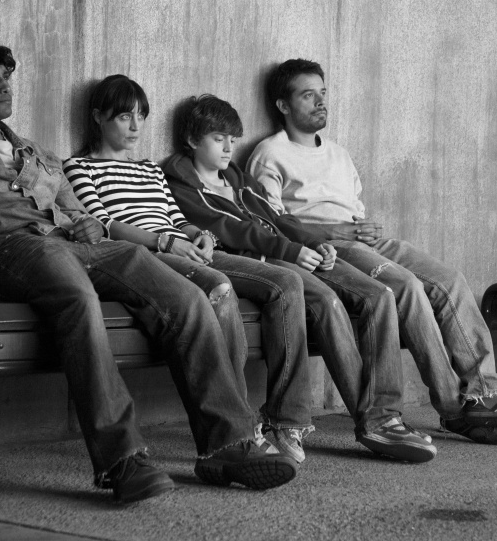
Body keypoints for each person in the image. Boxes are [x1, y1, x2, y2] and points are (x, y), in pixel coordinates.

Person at [0, 42, 298, 504]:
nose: (5, 86)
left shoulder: (36, 151)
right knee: (77, 294)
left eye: (7, 77)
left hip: (77, 246)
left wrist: (87, 224)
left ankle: (226, 445)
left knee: (185, 296)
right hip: (8, 252)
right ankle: (122, 459)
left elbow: (75, 211)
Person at [247, 58, 497, 444]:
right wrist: (338, 231)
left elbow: (352, 209)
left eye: (323, 93)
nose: (321, 102)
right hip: (329, 247)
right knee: (406, 286)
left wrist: (364, 228)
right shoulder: (269, 154)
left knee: (449, 280)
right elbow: (270, 225)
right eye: (308, 95)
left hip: (367, 242)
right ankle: (454, 407)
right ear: (283, 105)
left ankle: (485, 392)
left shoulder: (339, 153)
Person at [164, 94, 437, 463]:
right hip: (261, 260)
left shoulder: (237, 178)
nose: (229, 147)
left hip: (291, 250)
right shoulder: (180, 183)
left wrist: (313, 242)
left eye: (232, 139)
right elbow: (231, 230)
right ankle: (372, 421)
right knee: (327, 301)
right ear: (192, 140)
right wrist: (291, 251)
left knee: (380, 294)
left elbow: (278, 218)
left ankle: (385, 415)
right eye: (218, 139)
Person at [63, 75, 320, 464]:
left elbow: (176, 218)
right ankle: (241, 427)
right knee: (219, 287)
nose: (135, 127)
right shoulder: (79, 167)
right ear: (98, 117)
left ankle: (286, 420)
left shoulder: (150, 169)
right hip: (145, 255)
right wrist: (164, 242)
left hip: (185, 248)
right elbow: (104, 225)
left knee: (286, 281)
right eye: (124, 117)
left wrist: (200, 235)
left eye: (141, 117)